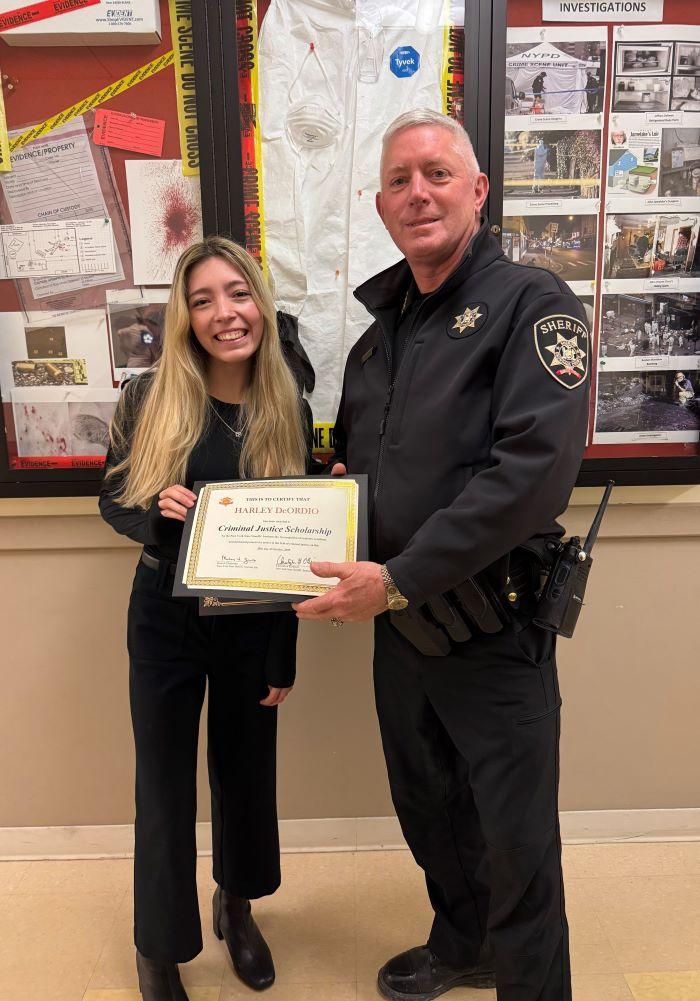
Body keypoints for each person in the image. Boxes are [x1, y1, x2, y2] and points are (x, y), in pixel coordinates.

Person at [294, 108, 590, 1001]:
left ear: (477, 190)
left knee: (517, 842)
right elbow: (361, 467)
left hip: (492, 629)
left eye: (436, 173)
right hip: (401, 631)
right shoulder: (379, 339)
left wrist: (398, 577)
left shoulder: (533, 305)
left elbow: (532, 473)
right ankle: (466, 942)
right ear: (380, 206)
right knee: (430, 810)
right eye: (398, 180)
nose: (417, 192)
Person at [99, 237, 313, 1001]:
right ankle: (158, 947)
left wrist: (284, 646)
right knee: (163, 785)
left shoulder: (288, 403)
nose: (225, 313)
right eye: (203, 300)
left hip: (252, 620)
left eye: (238, 293)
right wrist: (158, 514)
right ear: (184, 317)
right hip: (165, 616)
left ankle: (238, 903)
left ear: (261, 302)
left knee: (246, 773)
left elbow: (296, 544)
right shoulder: (147, 397)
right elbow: (112, 501)